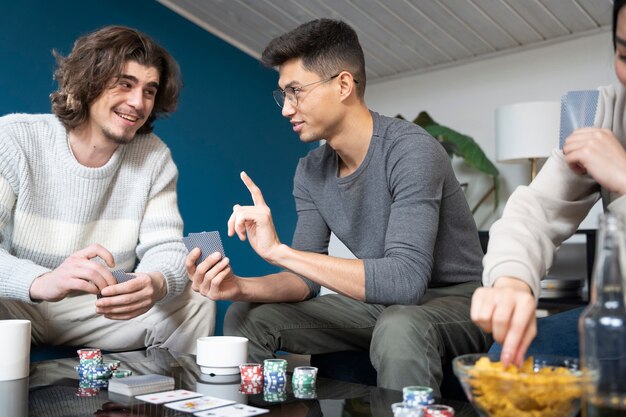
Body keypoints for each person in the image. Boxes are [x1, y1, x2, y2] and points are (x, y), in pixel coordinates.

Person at [186, 19, 491, 394]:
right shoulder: (311, 169)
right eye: (283, 95)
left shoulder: (411, 150)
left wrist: (279, 251)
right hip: (380, 303)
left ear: (343, 85)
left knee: (400, 324)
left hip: (456, 301)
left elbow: (406, 281)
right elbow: (305, 281)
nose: (286, 109)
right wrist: (239, 287)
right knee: (248, 316)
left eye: (296, 91)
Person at [0, 26, 214, 354]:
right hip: (15, 302)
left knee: (197, 299)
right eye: (125, 84)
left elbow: (167, 246)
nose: (137, 102)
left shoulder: (153, 156)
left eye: (149, 91)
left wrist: (155, 283)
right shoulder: (14, 138)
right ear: (89, 82)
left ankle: (168, 402)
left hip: (98, 307)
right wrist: (42, 281)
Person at [472, 0, 626, 367]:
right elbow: (536, 212)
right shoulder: (604, 111)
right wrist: (512, 282)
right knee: (508, 360)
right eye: (625, 54)